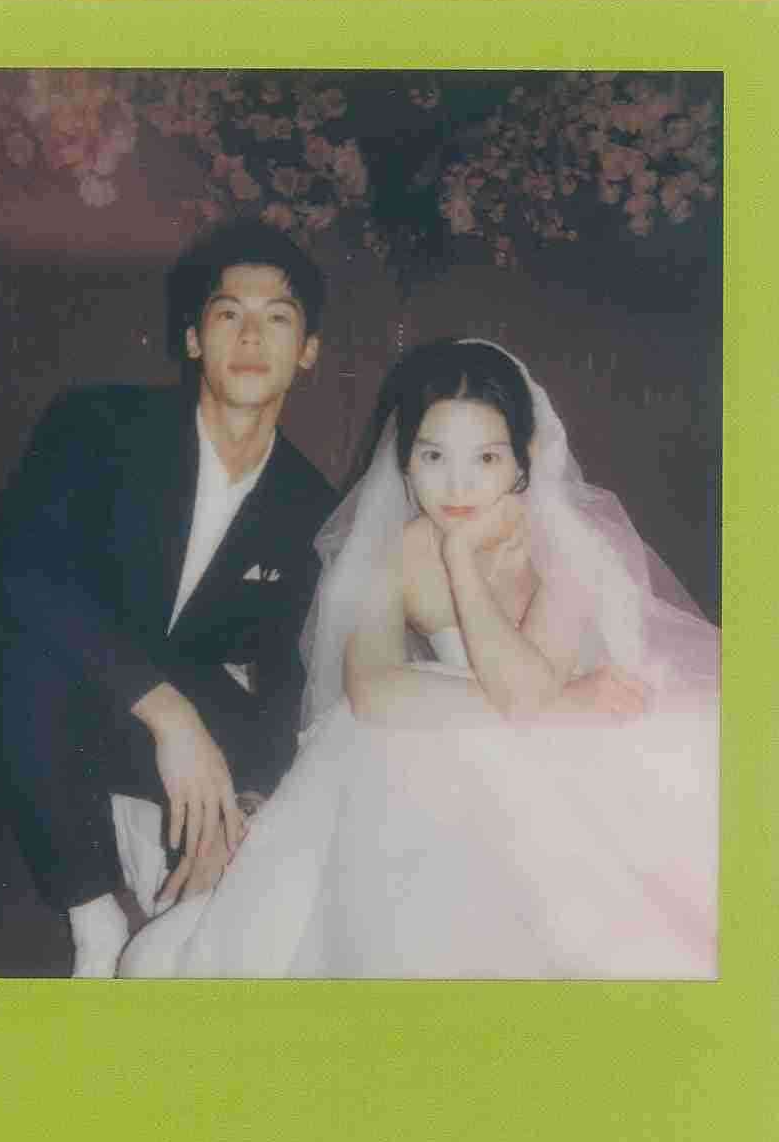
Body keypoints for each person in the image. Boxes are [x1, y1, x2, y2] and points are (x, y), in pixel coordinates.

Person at [121, 338, 719, 978]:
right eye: (433, 456)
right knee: (385, 753)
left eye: (486, 457)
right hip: (505, 724)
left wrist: (462, 565)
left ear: (523, 460)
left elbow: (528, 694)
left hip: (586, 739)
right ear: (406, 460)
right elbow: (372, 689)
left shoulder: (566, 542)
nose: (458, 485)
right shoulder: (400, 548)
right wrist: (466, 566)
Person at [0, 217, 336, 977]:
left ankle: (200, 864)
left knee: (293, 777)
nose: (250, 336)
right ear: (194, 338)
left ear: (307, 351)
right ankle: (94, 916)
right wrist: (167, 711)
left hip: (174, 715)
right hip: (75, 693)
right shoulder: (98, 423)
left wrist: (250, 803)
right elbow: (16, 572)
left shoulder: (309, 505)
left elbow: (282, 674)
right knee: (28, 653)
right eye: (228, 313)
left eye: (277, 318)